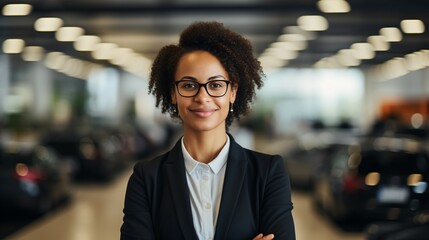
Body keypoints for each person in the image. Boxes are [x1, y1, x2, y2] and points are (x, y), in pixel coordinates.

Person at [120, 21, 295, 240]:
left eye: (215, 85)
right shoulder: (146, 179)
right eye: (189, 85)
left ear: (232, 92)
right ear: (173, 93)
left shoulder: (268, 173)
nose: (202, 97)